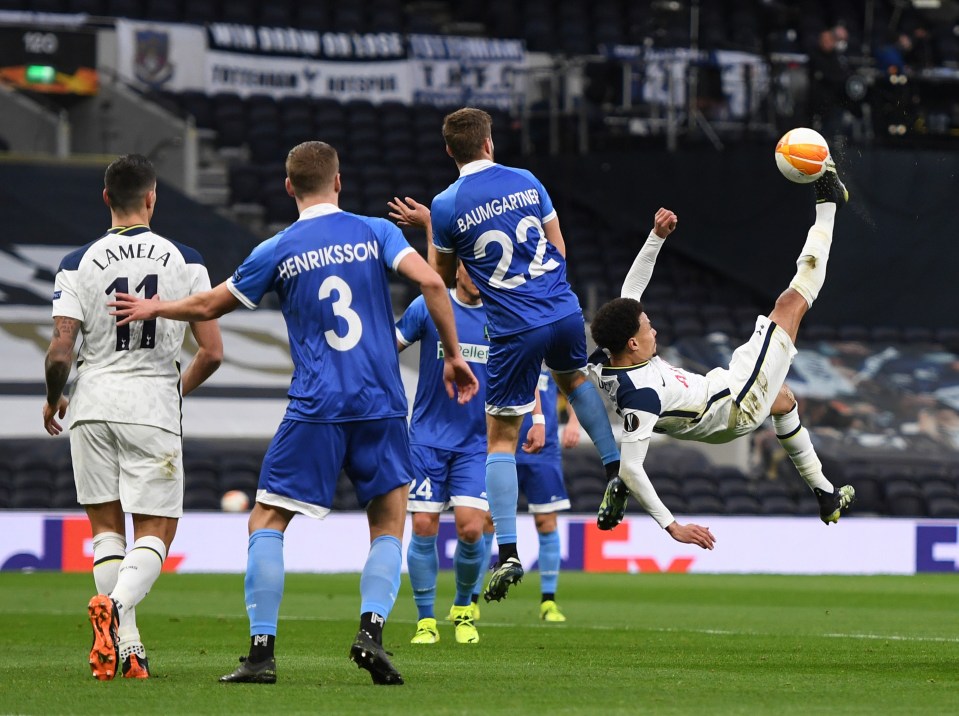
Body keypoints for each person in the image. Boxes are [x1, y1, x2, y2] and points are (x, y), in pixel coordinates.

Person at [109, 141, 479, 686]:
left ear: (288, 187)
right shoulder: (375, 231)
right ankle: (371, 632)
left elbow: (209, 306)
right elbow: (430, 282)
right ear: (339, 181)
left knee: (267, 521)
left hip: (317, 405)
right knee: (387, 524)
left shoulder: (277, 249)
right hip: (381, 402)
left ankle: (261, 652)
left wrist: (154, 305)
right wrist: (450, 356)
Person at [589, 160, 856, 546]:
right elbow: (630, 470)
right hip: (734, 403)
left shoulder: (606, 357)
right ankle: (828, 202)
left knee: (781, 400)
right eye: (648, 328)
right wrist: (672, 526)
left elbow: (629, 294)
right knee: (792, 302)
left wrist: (655, 238)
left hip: (721, 390)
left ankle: (826, 495)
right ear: (632, 343)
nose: (655, 329)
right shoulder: (641, 397)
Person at [424, 107, 623, 603]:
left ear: (450, 151)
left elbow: (441, 280)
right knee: (574, 380)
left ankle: (509, 549)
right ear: (489, 143)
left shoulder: (446, 205)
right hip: (561, 308)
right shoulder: (528, 180)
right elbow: (558, 247)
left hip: (514, 327)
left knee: (500, 439)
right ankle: (615, 469)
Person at [43, 153, 223, 680]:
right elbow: (211, 351)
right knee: (156, 532)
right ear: (152, 197)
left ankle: (130, 650)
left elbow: (59, 352)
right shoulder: (185, 260)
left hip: (91, 401)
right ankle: (116, 610)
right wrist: (175, 392)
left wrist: (56, 395)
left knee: (105, 534)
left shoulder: (76, 263)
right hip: (151, 403)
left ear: (105, 198)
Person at [394, 258, 491, 645]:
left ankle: (464, 609)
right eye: (473, 267)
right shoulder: (428, 306)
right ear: (459, 268)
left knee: (470, 527)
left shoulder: (502, 316)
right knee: (422, 527)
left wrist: (532, 419)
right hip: (427, 437)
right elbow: (390, 348)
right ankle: (425, 620)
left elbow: (522, 370)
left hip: (476, 440)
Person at [472, 370, 581, 622]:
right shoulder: (509, 345)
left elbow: (573, 382)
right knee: (488, 521)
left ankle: (548, 602)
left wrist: (574, 421)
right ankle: (472, 600)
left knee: (546, 522)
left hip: (545, 449)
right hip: (504, 442)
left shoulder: (552, 346)